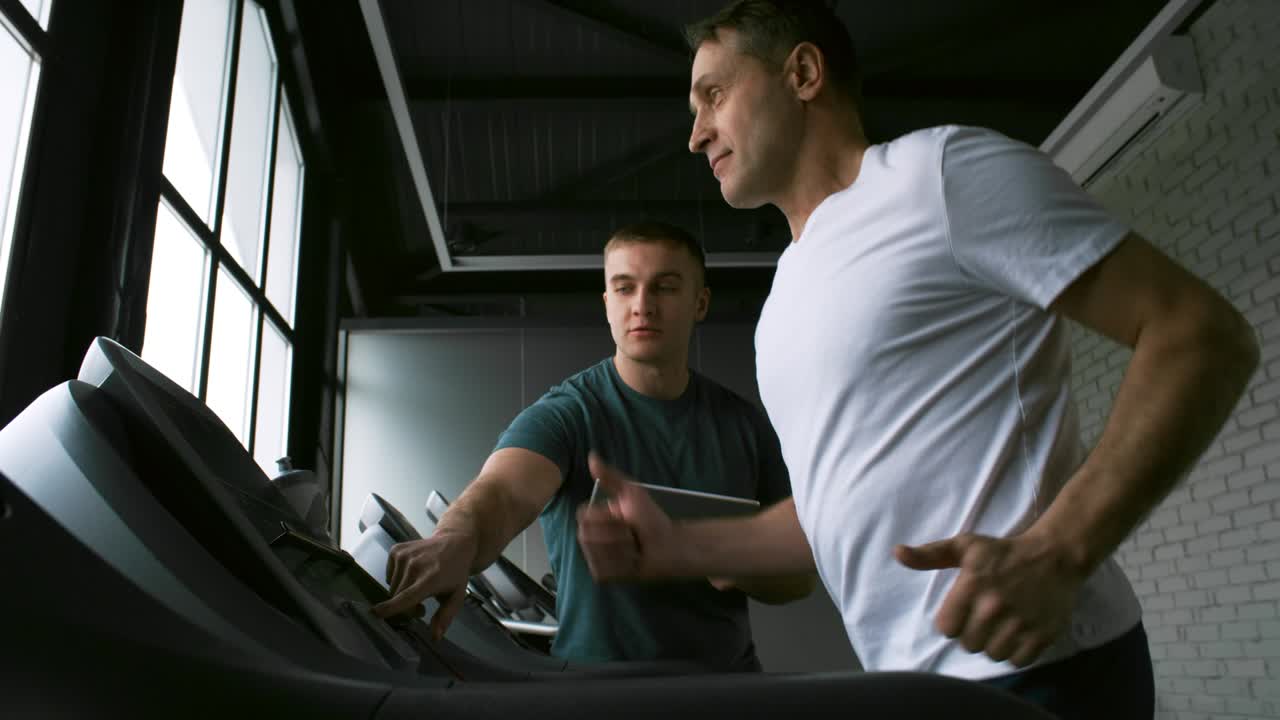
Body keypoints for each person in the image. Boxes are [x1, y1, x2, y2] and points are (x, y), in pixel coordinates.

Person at [575, 1, 1259, 716]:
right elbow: (834, 514)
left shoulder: (939, 175)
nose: (695, 135)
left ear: (802, 74)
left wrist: (1061, 549)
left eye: (714, 94)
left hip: (1044, 669)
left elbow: (1199, 335)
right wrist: (680, 549)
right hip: (912, 685)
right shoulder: (782, 303)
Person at [373, 221, 812, 671]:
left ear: (700, 302)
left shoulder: (747, 426)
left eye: (664, 287)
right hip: (596, 690)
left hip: (727, 686)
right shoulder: (567, 414)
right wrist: (455, 538)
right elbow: (502, 492)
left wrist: (723, 555)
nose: (642, 305)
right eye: (625, 288)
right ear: (607, 304)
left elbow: (799, 576)